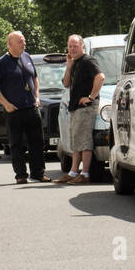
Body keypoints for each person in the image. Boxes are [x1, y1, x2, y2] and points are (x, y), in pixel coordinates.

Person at [0, 31, 53, 183]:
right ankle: (21, 175)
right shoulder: (2, 62)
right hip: (14, 110)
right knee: (16, 144)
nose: (24, 44)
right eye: (20, 41)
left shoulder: (27, 56)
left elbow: (34, 77)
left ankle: (38, 173)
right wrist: (6, 103)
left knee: (37, 142)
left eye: (24, 41)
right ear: (10, 44)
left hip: (31, 108)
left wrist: (36, 96)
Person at [53, 35, 104, 185]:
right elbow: (66, 83)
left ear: (82, 46)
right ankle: (73, 172)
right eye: (70, 46)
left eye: (75, 46)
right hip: (75, 107)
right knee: (76, 140)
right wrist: (69, 66)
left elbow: (100, 77)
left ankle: (85, 173)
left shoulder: (88, 61)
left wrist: (91, 97)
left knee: (84, 141)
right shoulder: (75, 63)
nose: (72, 49)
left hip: (85, 107)